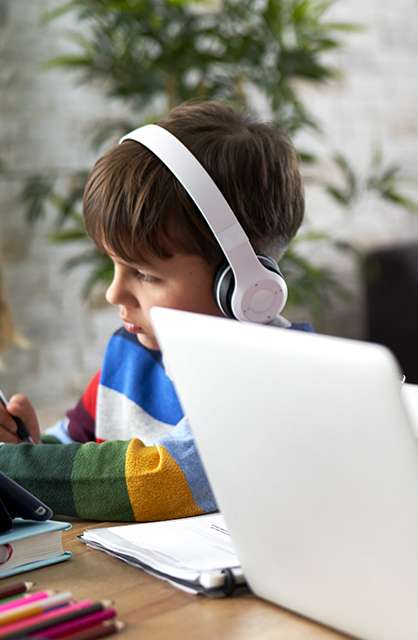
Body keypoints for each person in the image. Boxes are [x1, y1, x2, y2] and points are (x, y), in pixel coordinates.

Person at [0, 101, 308, 522]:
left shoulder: (275, 369)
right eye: (114, 265)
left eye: (144, 274)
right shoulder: (130, 353)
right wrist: (28, 449)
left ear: (242, 283)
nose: (114, 293)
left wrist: (10, 468)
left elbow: (167, 479)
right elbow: (76, 448)